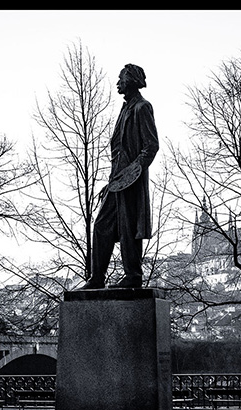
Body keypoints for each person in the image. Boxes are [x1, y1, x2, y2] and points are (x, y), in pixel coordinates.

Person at [83, 63, 159, 290]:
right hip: (116, 181)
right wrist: (115, 178)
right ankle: (97, 277)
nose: (117, 83)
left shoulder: (142, 108)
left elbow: (151, 146)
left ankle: (133, 275)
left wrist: (133, 172)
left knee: (128, 229)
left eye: (121, 78)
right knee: (101, 225)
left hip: (131, 181)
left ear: (132, 80)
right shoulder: (125, 109)